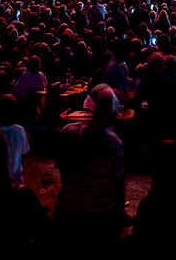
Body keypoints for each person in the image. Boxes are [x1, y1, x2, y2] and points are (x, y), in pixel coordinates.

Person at [54, 83, 126, 258]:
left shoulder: (66, 132)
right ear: (112, 112)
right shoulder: (114, 143)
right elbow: (118, 185)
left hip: (69, 211)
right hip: (100, 216)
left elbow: (63, 173)